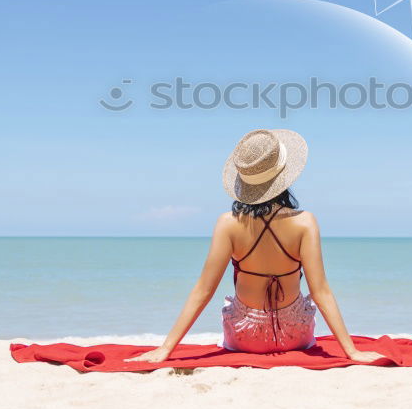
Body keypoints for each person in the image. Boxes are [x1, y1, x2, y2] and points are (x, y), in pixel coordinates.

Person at [126, 128, 383, 363]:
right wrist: (351, 351)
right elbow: (321, 291)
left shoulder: (228, 223)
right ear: (284, 175)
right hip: (294, 336)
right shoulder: (305, 222)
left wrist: (166, 349)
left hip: (244, 339)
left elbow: (203, 291)